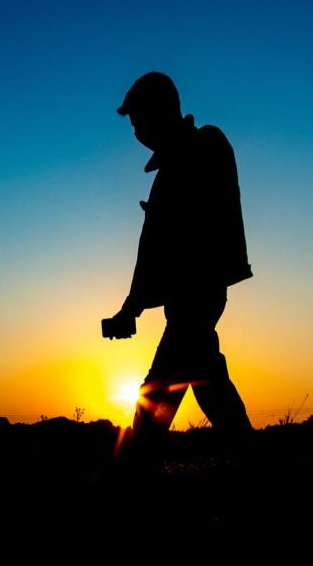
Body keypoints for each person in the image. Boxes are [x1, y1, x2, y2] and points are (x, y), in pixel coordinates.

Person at [103, 72, 255, 452]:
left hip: (199, 293)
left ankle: (128, 477)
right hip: (191, 296)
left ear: (162, 111)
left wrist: (132, 307)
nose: (138, 133)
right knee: (208, 383)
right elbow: (157, 246)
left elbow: (174, 239)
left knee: (158, 392)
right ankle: (255, 464)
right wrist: (131, 308)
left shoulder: (204, 146)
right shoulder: (176, 163)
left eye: (140, 121)